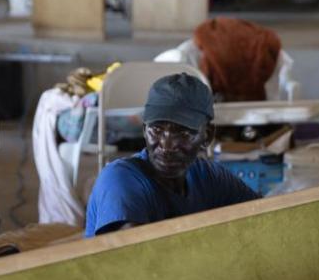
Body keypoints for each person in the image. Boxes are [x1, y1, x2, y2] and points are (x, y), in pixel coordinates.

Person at [85, 73, 260, 237]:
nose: (166, 145)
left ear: (207, 135)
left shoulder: (209, 177)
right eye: (157, 129)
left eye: (183, 133)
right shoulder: (120, 179)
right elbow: (131, 257)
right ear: (145, 130)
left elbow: (264, 216)